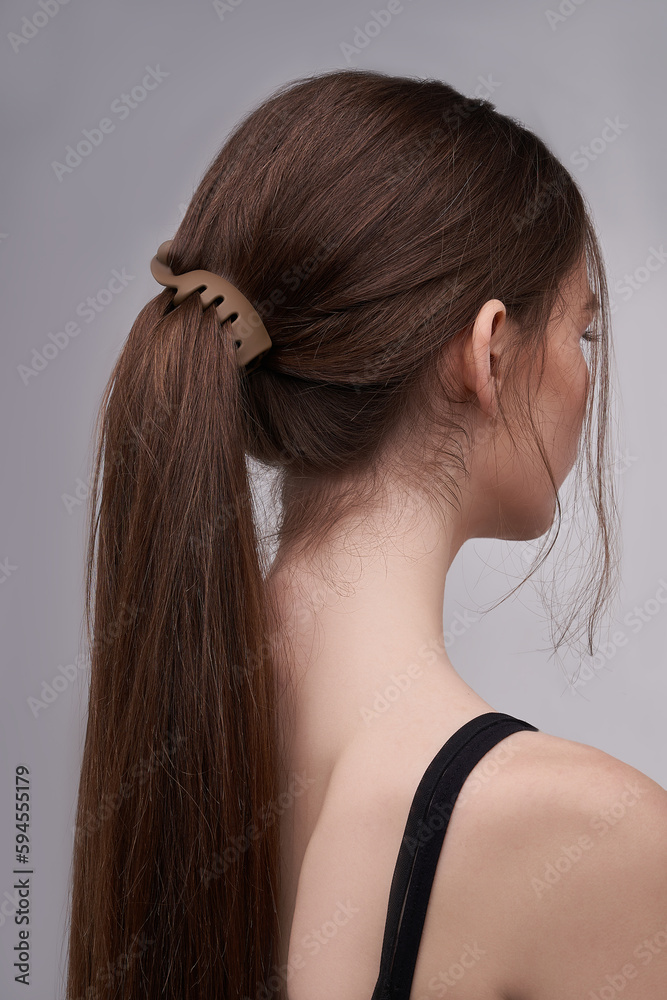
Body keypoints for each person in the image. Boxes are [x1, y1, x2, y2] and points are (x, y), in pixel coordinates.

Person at [64, 68, 667, 1000]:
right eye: (580, 334)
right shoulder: (593, 837)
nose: (586, 381)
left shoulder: (158, 754)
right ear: (489, 349)